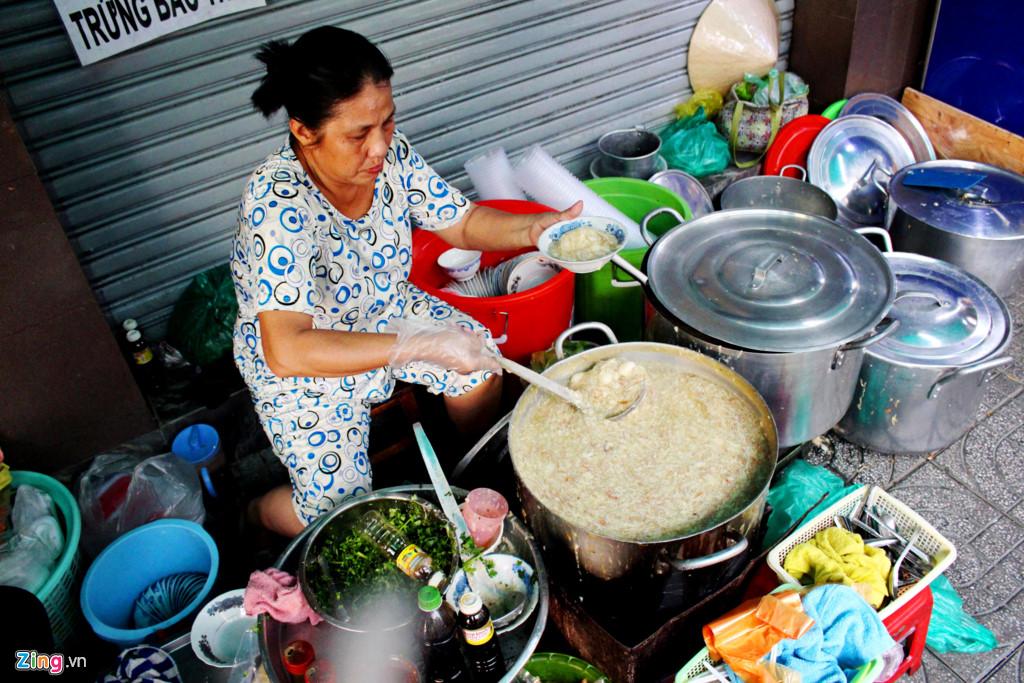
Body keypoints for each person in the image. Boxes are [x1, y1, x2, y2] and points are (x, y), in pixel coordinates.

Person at [231, 26, 581, 537]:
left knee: (479, 363)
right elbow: (288, 349)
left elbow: (458, 221)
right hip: (310, 364)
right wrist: (416, 345)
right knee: (335, 513)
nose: (379, 147)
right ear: (305, 131)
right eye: (357, 135)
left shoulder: (391, 156)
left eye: (388, 121)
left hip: (386, 309)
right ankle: (250, 513)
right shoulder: (277, 206)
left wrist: (533, 230)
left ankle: (478, 477)